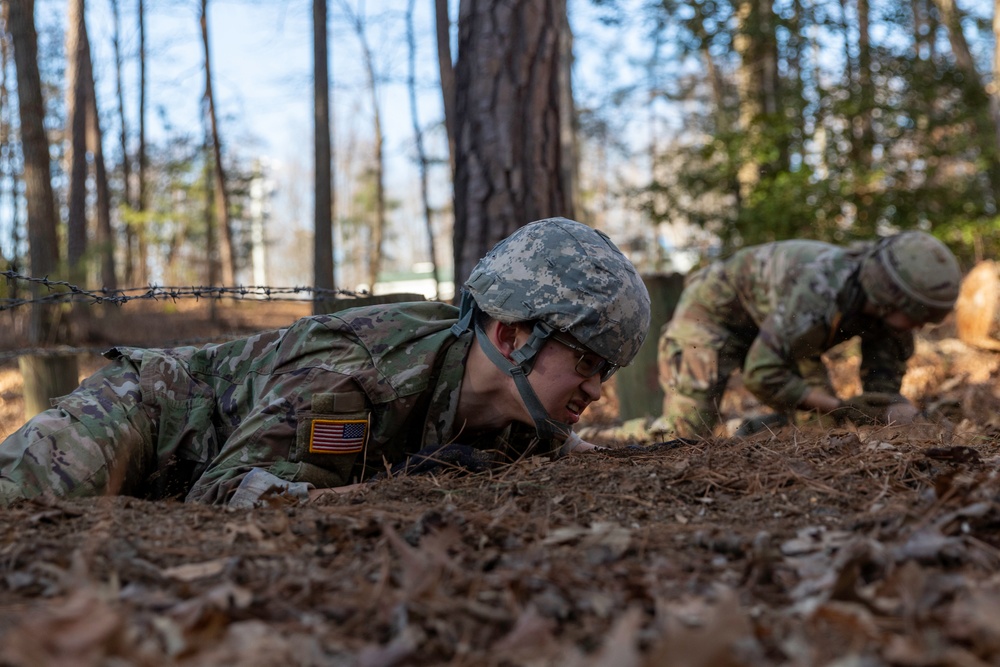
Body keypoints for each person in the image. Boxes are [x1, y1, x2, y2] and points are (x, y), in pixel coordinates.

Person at [0, 217, 651, 507]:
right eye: (588, 361)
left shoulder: (518, 412)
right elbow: (227, 493)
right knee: (23, 505)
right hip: (151, 410)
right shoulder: (352, 380)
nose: (596, 388)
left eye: (608, 370)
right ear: (511, 338)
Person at [651, 230, 962, 439]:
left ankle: (746, 431)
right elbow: (761, 375)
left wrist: (888, 414)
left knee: (821, 430)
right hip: (714, 314)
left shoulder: (885, 311)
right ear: (890, 295)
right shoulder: (820, 291)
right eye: (918, 315)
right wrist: (840, 407)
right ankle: (630, 434)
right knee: (686, 434)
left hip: (781, 324)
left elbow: (881, 389)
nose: (920, 327)